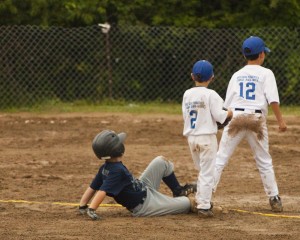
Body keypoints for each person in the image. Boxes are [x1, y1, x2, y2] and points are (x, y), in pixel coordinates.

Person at [213, 36, 287, 212]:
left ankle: (205, 195)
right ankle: (274, 198)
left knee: (220, 158)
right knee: (264, 160)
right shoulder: (266, 73)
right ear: (261, 54)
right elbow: (273, 100)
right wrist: (280, 121)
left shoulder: (237, 75)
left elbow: (226, 105)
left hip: (236, 117)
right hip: (256, 120)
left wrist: (221, 123)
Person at [78, 129, 197, 220]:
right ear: (119, 149)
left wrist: (82, 205)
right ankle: (185, 201)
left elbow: (92, 187)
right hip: (145, 206)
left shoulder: (105, 168)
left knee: (161, 161)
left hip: (143, 188)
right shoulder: (116, 171)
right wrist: (92, 209)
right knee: (188, 203)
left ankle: (177, 190)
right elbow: (102, 191)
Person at [182, 60, 233, 218]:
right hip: (206, 138)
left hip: (192, 138)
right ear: (212, 77)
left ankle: (200, 199)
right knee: (207, 172)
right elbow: (220, 116)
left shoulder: (187, 94)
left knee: (202, 170)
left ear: (192, 76)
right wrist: (230, 113)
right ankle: (203, 206)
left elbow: (186, 115)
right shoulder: (211, 94)